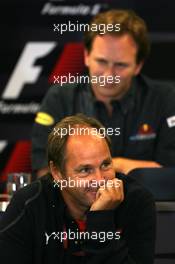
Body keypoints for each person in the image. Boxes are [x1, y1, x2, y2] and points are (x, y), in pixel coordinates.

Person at [32, 9, 175, 177]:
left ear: (138, 66)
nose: (108, 75)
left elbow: (170, 174)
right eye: (101, 61)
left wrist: (109, 166)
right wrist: (122, 168)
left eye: (120, 65)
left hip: (148, 203)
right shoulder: (60, 98)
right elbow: (45, 171)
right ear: (86, 55)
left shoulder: (166, 99)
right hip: (78, 204)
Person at [0, 114, 156, 264]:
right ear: (57, 172)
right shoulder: (30, 204)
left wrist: (101, 218)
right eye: (85, 170)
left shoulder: (137, 201)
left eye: (105, 165)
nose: (99, 180)